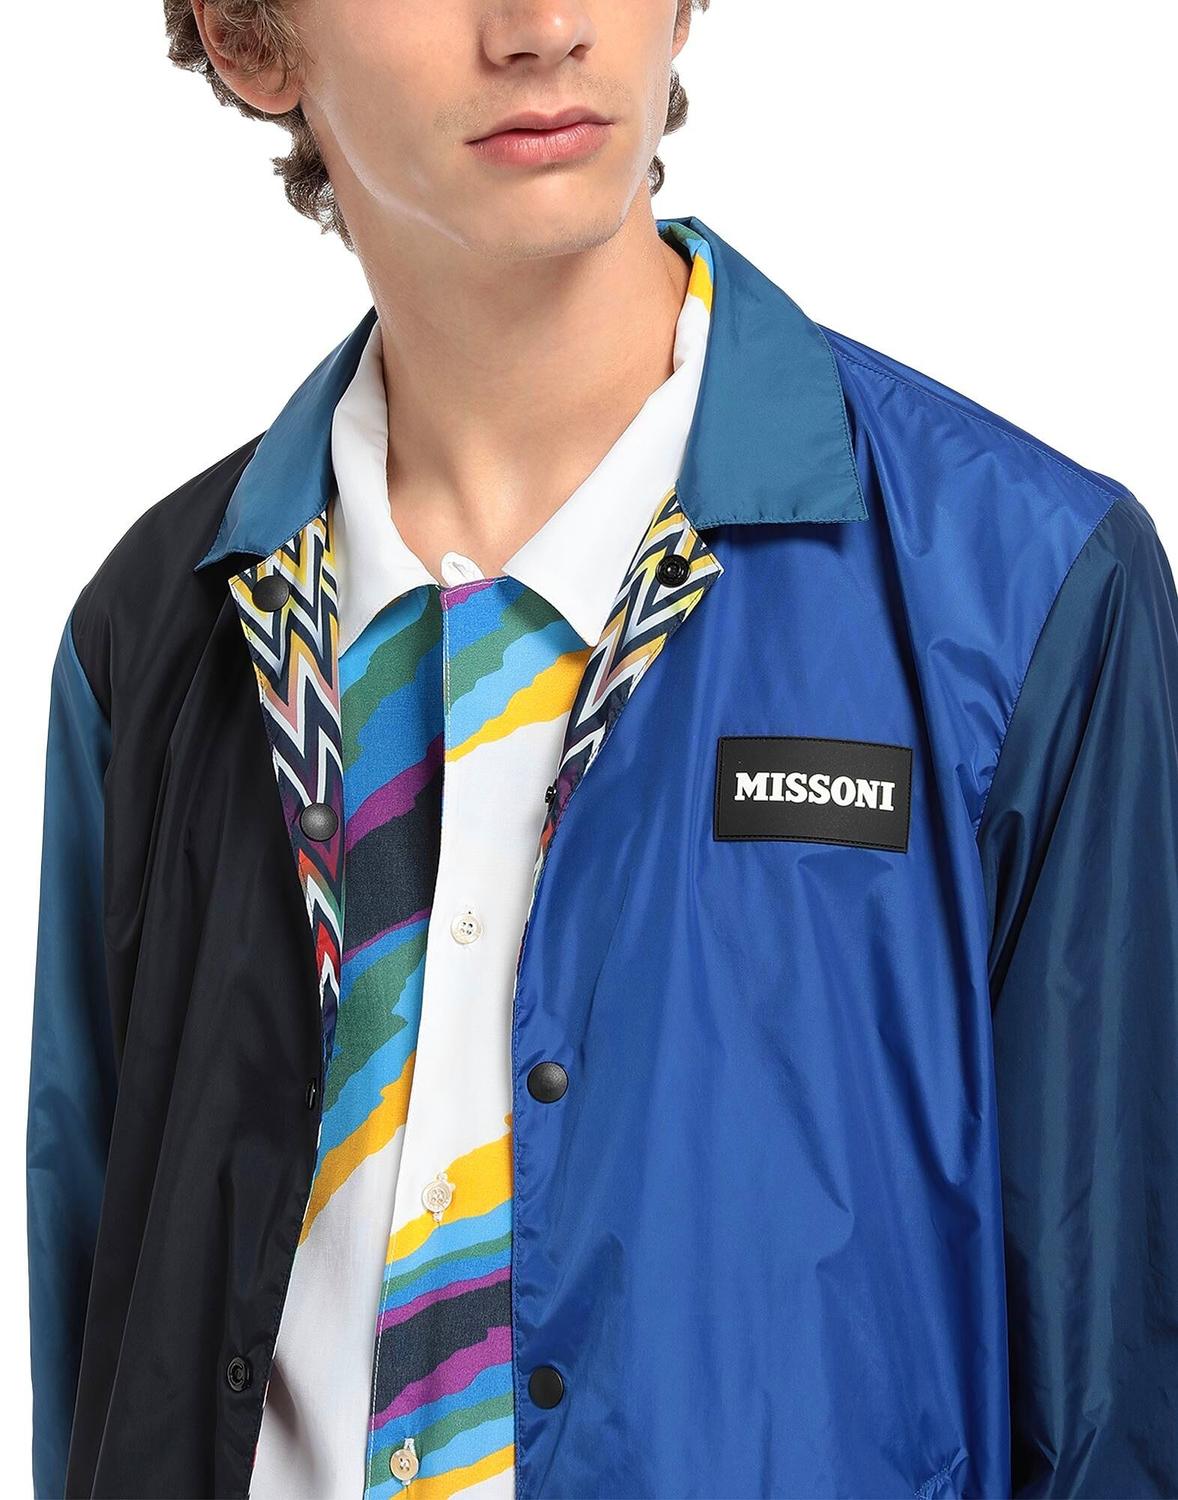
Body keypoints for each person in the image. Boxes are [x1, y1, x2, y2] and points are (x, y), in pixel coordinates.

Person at [25, 1, 1178, 1497]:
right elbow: (96, 1329)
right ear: (253, 40)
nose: (541, 26)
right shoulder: (155, 633)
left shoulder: (1021, 593)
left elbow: (1115, 1396)